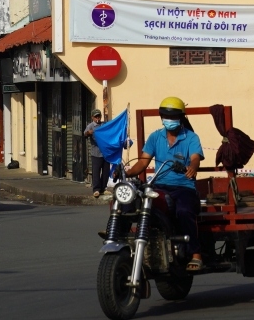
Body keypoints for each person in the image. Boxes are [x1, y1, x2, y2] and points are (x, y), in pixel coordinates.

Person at [125, 97, 205, 272]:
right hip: (158, 185)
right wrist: (126, 172)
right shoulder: (155, 137)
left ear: (181, 118)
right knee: (134, 203)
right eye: (167, 116)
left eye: (174, 116)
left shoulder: (191, 137)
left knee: (184, 211)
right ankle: (120, 236)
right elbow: (143, 162)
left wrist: (193, 166)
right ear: (161, 117)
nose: (170, 120)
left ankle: (196, 253)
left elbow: (195, 157)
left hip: (184, 187)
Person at [83, 108, 111, 199]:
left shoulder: (104, 125)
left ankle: (103, 188)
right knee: (96, 172)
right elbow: (85, 134)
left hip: (105, 153)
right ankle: (96, 189)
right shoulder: (91, 126)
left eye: (99, 116)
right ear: (92, 117)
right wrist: (88, 133)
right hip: (96, 153)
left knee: (106, 172)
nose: (97, 118)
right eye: (96, 117)